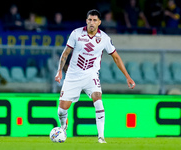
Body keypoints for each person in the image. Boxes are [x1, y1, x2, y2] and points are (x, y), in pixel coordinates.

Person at [55, 9, 135, 143]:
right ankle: (63, 127)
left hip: (91, 75)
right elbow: (65, 53)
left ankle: (101, 137)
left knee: (98, 100)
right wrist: (59, 71)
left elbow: (116, 57)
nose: (92, 23)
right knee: (62, 109)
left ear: (99, 22)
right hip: (73, 75)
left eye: (94, 20)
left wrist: (127, 76)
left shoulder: (104, 38)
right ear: (86, 21)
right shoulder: (76, 34)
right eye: (90, 20)